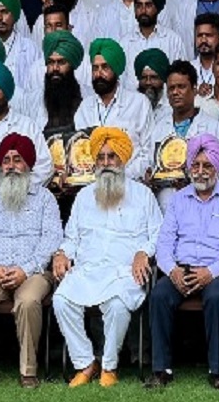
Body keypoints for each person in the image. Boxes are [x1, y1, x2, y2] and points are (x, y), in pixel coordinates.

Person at [52, 127, 160, 388]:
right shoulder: (84, 196)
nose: (106, 163)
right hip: (88, 270)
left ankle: (110, 367)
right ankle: (85, 363)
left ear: (123, 160)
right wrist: (62, 253)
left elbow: (158, 233)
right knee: (61, 299)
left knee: (117, 305)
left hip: (124, 273)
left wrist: (143, 252)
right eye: (101, 158)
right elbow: (72, 237)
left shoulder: (143, 195)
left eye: (112, 157)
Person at [146, 134, 219, 390]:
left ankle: (217, 370)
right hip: (182, 268)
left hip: (216, 271)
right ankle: (161, 369)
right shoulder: (178, 199)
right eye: (196, 165)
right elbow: (164, 242)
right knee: (158, 295)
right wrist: (172, 270)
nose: (200, 172)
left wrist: (210, 272)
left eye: (207, 166)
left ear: (218, 167)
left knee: (216, 298)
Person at [0, 134, 62, 389]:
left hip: (34, 272)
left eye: (17, 160)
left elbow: (52, 240)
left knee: (28, 300)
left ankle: (28, 371)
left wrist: (24, 270)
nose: (11, 166)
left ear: (28, 164)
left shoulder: (45, 199)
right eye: (6, 160)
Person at [142, 62, 219, 189]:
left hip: (203, 203)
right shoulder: (159, 128)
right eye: (171, 88)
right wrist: (150, 176)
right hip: (166, 202)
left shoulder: (214, 128)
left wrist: (196, 179)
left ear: (195, 89)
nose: (175, 92)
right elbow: (149, 164)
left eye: (181, 87)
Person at [76, 39, 152, 142]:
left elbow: (148, 148)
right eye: (95, 68)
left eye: (105, 67)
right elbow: (79, 146)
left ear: (116, 70)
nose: (99, 74)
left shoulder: (139, 103)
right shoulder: (85, 107)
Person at [125, 0, 190, 64]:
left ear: (157, 8)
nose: (143, 10)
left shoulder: (173, 41)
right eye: (139, 5)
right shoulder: (125, 43)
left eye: (148, 5)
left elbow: (182, 74)